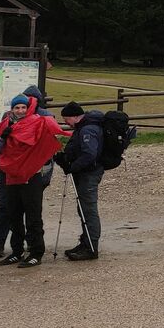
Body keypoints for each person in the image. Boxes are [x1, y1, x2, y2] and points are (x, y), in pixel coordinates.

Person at [0, 94, 65, 268]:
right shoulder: (6, 125)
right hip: (11, 176)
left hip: (31, 175)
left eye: (23, 108)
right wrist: (3, 137)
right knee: (14, 215)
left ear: (28, 108)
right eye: (16, 108)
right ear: (12, 109)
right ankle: (17, 251)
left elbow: (49, 138)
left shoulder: (37, 122)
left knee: (33, 216)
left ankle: (36, 252)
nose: (20, 111)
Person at [54, 103, 105, 261]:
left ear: (75, 116)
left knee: (88, 210)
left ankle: (91, 247)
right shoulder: (85, 127)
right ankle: (85, 242)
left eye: (67, 119)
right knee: (83, 208)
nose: (66, 123)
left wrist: (72, 166)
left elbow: (89, 155)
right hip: (85, 173)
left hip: (88, 174)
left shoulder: (87, 129)